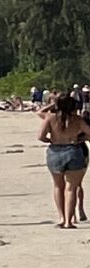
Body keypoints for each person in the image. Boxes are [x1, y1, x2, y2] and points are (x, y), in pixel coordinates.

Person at [39, 90, 89, 230]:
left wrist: (50, 139)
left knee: (57, 186)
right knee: (71, 188)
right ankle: (69, 220)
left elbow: (40, 136)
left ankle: (61, 218)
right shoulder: (77, 120)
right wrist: (82, 138)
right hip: (73, 150)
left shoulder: (50, 118)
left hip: (55, 151)